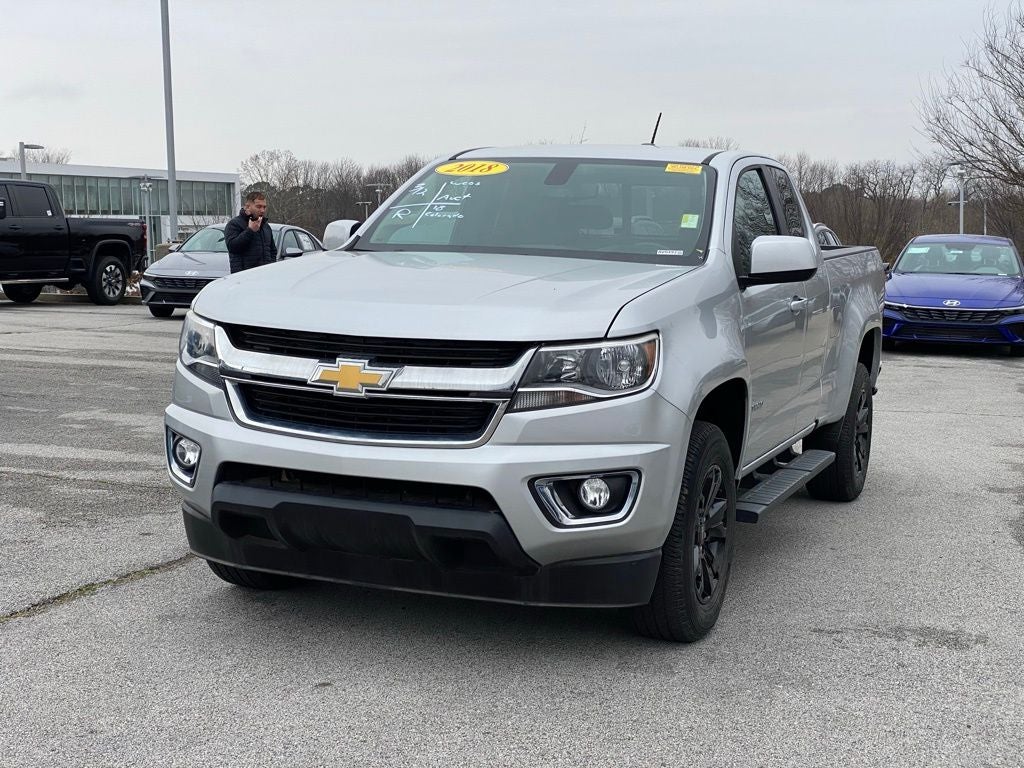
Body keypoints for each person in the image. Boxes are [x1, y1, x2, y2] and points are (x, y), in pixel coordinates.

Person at [224, 191, 275, 274]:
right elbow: (232, 247)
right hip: (244, 276)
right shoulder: (234, 224)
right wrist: (250, 231)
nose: (262, 210)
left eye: (264, 207)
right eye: (258, 207)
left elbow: (272, 251)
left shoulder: (266, 226)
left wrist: (271, 267)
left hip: (266, 275)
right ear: (247, 207)